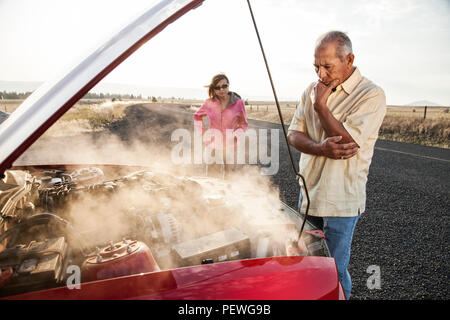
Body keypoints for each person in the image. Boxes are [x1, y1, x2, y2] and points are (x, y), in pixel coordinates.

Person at [287, 31, 386, 299]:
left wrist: (321, 107)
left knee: (333, 270)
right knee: (307, 266)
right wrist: (319, 147)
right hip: (309, 195)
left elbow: (347, 142)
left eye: (327, 66)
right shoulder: (310, 90)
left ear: (349, 59)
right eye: (316, 67)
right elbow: (293, 134)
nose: (320, 74)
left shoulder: (371, 95)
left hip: (341, 201)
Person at [193, 73, 248, 178]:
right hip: (213, 145)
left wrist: (237, 135)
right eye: (217, 88)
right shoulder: (209, 103)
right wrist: (203, 134)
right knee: (212, 178)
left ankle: (229, 194)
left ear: (228, 85)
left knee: (230, 177)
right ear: (213, 89)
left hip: (231, 145)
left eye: (224, 86)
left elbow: (244, 123)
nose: (221, 90)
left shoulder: (239, 103)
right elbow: (197, 116)